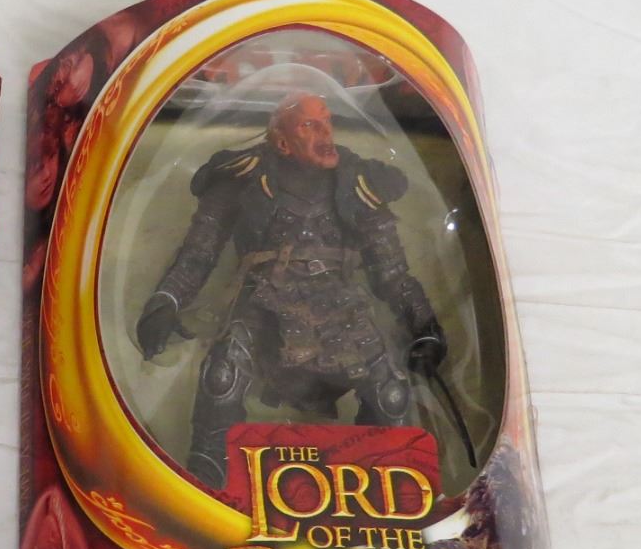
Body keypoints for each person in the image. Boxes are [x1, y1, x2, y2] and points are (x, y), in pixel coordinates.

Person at [136, 92, 446, 488]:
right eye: (309, 125)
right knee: (222, 374)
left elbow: (391, 272)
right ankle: (209, 482)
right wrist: (165, 303)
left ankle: (391, 490)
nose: (325, 134)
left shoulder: (360, 182)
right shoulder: (242, 178)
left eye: (327, 122)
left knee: (391, 393)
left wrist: (424, 327)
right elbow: (199, 253)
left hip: (341, 308)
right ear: (282, 141)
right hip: (262, 304)